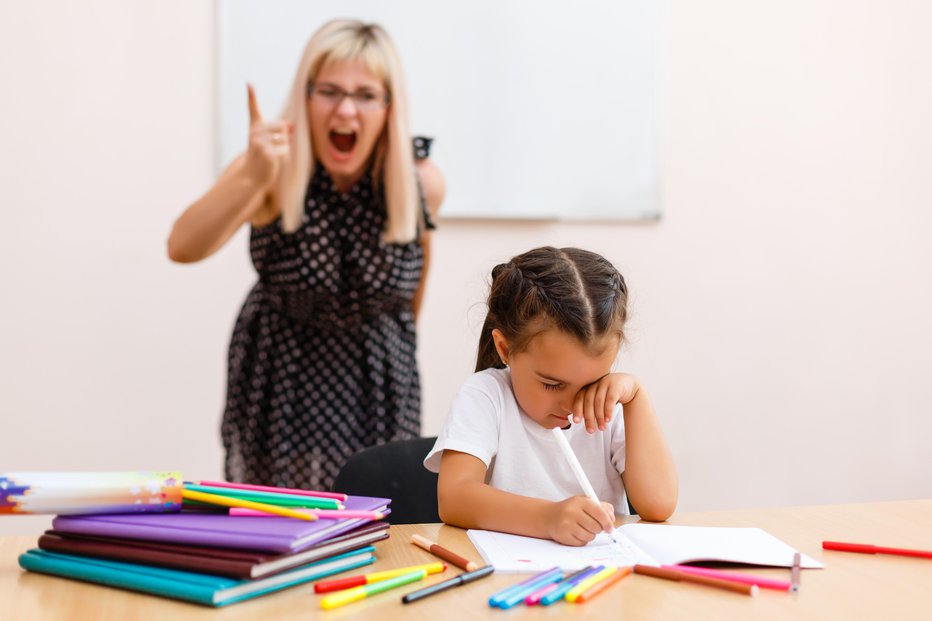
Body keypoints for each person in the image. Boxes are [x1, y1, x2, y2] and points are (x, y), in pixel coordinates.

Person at [167, 20, 445, 491]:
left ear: (388, 106)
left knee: (375, 518)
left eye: (364, 94)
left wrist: (391, 350)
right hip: (284, 376)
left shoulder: (420, 182)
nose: (345, 109)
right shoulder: (270, 169)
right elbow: (183, 246)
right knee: (285, 525)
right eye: (329, 91)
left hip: (378, 379)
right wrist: (252, 177)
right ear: (306, 97)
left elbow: (411, 290)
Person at [425, 247, 677, 546]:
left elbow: (659, 505)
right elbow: (454, 498)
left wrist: (637, 398)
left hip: (598, 581)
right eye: (552, 384)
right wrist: (549, 519)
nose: (572, 405)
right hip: (510, 583)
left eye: (591, 382)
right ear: (506, 349)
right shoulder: (486, 395)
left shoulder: (608, 403)